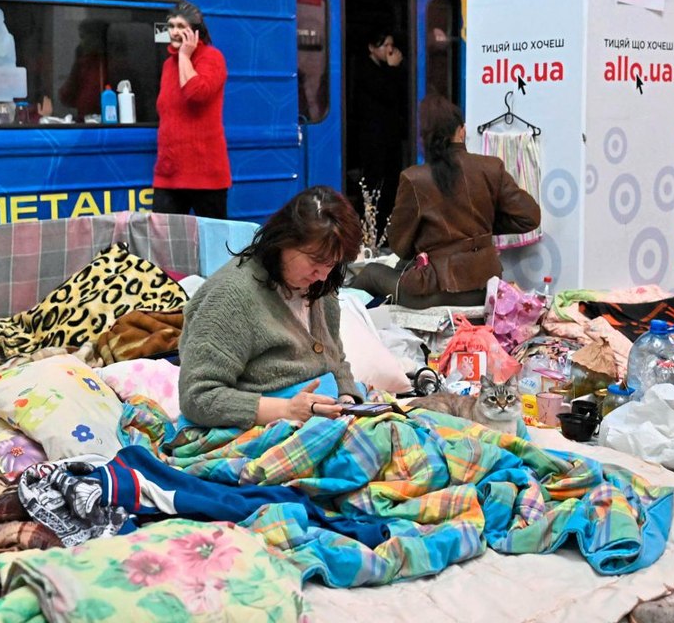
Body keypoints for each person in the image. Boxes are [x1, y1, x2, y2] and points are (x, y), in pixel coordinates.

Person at [178, 186, 365, 429]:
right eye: (316, 261)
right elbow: (197, 397)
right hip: (259, 428)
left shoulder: (321, 286)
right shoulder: (231, 295)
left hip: (322, 419)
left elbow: (334, 358)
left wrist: (347, 401)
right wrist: (287, 409)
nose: (322, 275)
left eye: (333, 264)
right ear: (284, 241)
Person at [350, 93, 541, 309]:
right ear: (462, 131)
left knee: (371, 273)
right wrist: (480, 227)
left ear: (424, 138)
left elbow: (400, 246)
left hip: (436, 293)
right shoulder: (491, 167)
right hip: (485, 289)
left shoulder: (414, 178)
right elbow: (530, 217)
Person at [153, 1, 231, 219]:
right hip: (169, 173)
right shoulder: (169, 65)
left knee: (211, 241)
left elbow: (197, 94)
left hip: (205, 174)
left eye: (181, 26)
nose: (174, 32)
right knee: (162, 239)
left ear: (195, 31)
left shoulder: (212, 57)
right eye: (171, 26)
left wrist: (186, 57)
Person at [350, 26, 407, 233]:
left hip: (388, 139)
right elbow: (387, 94)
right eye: (385, 45)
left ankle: (384, 227)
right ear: (372, 48)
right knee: (374, 186)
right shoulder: (365, 71)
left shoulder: (384, 68)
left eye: (392, 45)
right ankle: (371, 230)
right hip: (373, 140)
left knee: (390, 185)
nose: (390, 50)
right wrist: (393, 69)